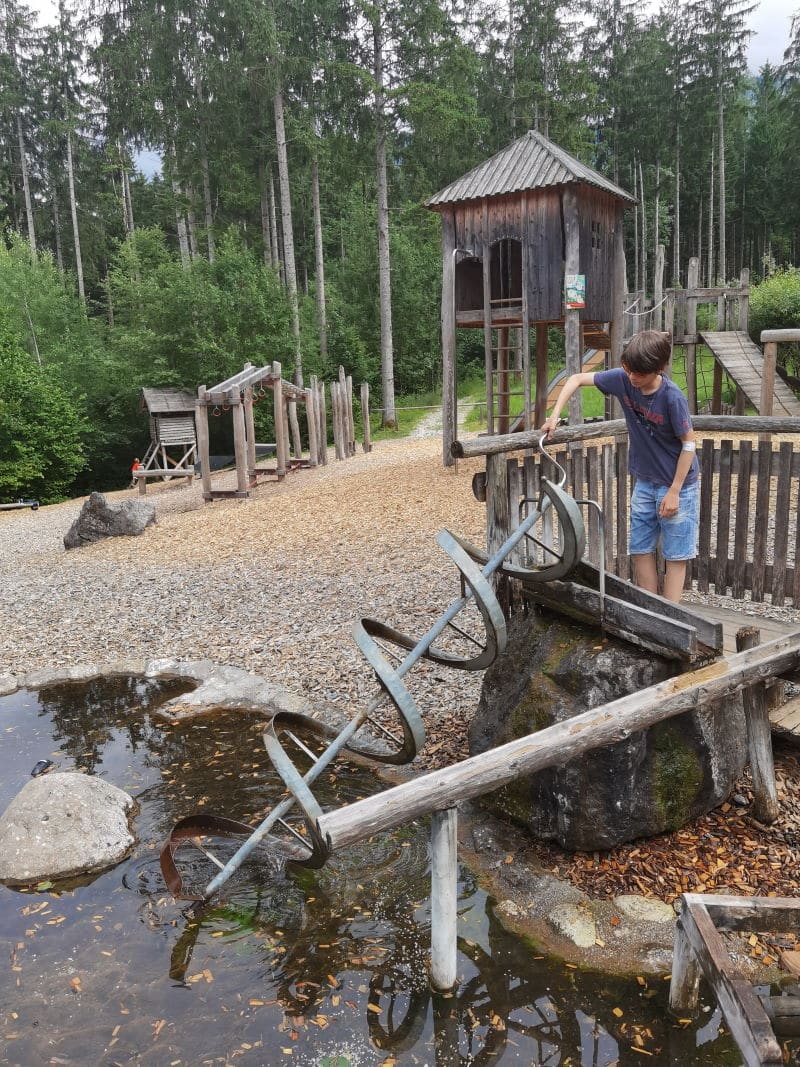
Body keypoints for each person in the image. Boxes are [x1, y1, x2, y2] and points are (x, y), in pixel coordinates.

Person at [540, 330, 699, 603]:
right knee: (640, 549)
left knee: (675, 555)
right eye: (629, 371)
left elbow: (689, 445)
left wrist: (674, 491)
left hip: (679, 485)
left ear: (658, 369)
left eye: (640, 373)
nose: (633, 378)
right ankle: (651, 610)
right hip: (645, 482)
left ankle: (671, 618)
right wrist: (554, 415)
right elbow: (576, 379)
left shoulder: (672, 398)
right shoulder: (623, 380)